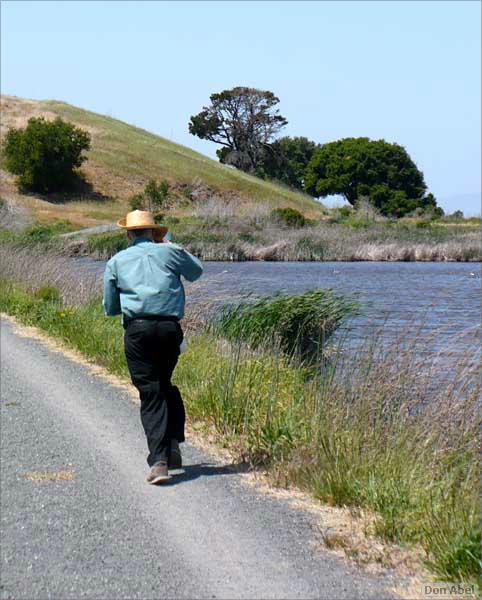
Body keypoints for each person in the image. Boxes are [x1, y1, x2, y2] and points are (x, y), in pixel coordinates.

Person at [103, 209, 203, 484]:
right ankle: (172, 445)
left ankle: (159, 461)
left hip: (138, 330)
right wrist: (171, 245)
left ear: (128, 233)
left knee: (151, 391)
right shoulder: (170, 252)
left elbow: (110, 307)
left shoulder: (117, 261)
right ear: (155, 232)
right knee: (165, 383)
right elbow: (196, 271)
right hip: (170, 329)